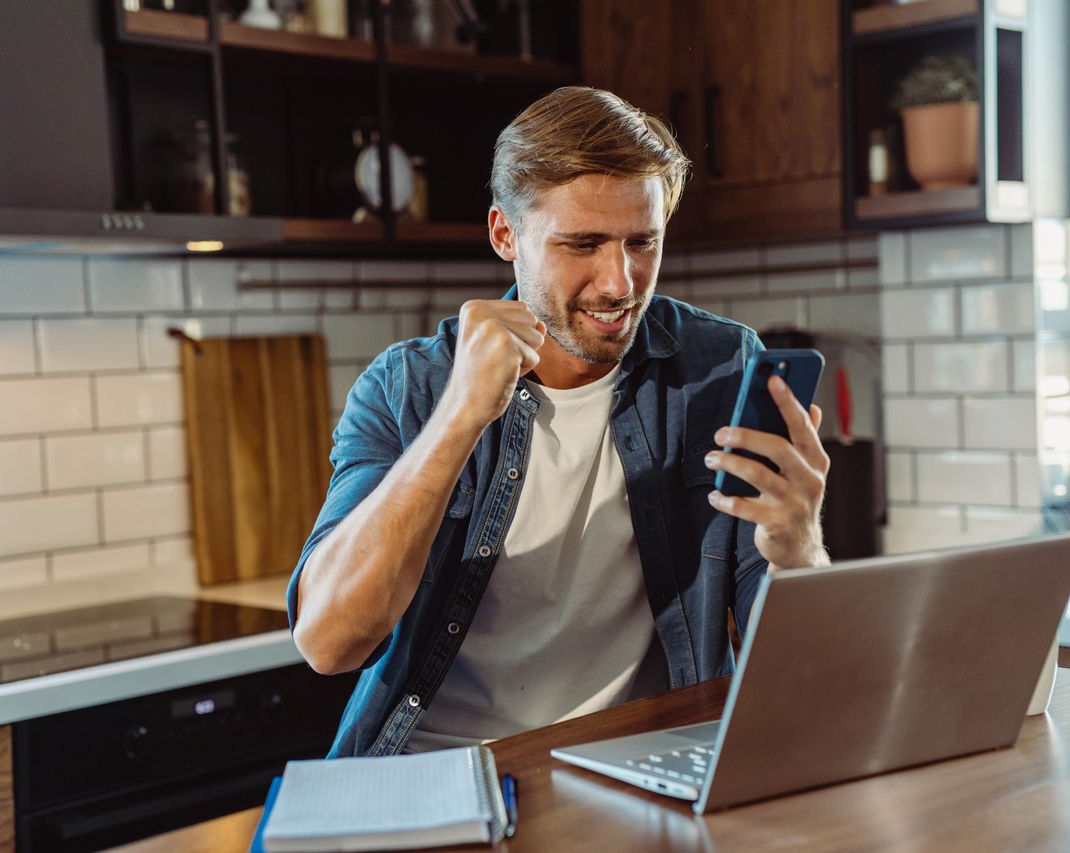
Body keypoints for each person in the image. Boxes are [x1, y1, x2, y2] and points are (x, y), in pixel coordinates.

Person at [288, 86, 830, 758]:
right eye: (583, 244)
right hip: (435, 774)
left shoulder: (718, 370)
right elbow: (330, 643)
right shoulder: (410, 387)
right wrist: (458, 418)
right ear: (504, 234)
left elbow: (796, 671)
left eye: (642, 242)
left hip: (628, 770)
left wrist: (801, 546)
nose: (619, 283)